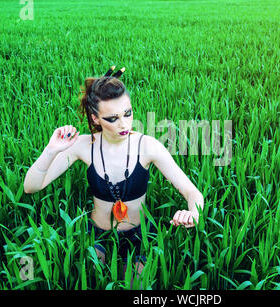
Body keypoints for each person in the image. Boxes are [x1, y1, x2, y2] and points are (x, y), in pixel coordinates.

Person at [23, 66, 205, 285]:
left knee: (136, 285)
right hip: (97, 233)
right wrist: (51, 150)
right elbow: (31, 187)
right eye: (112, 118)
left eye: (127, 113)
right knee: (93, 281)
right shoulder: (83, 146)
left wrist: (193, 213)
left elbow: (191, 191)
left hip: (140, 235)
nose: (124, 124)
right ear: (95, 118)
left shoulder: (147, 146)